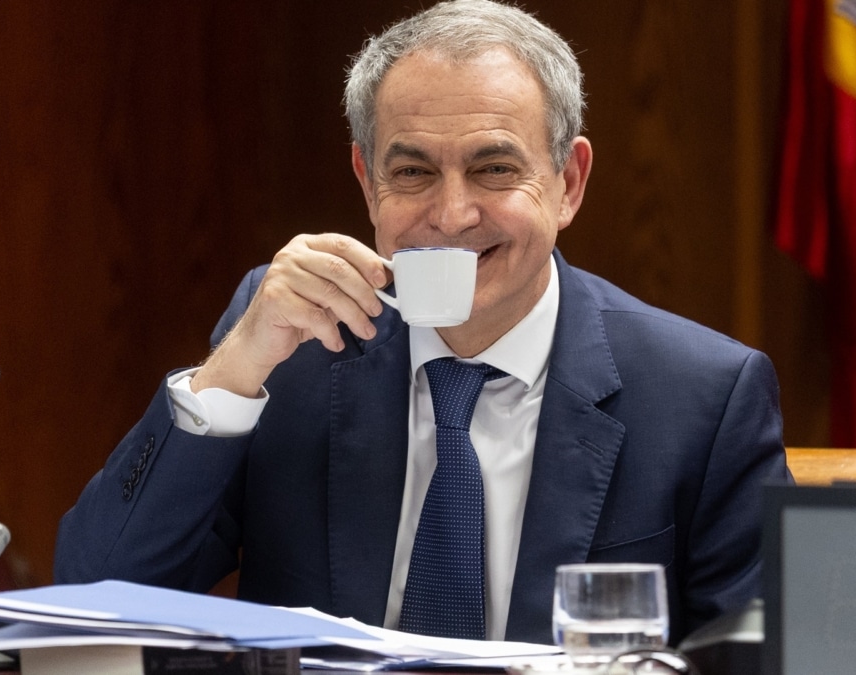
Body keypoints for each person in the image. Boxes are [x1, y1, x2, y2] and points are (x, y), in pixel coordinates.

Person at [54, 0, 790, 647]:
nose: (451, 213)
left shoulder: (701, 397)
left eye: (495, 169)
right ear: (366, 183)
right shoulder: (295, 351)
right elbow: (92, 597)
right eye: (411, 173)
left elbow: (769, 655)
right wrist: (233, 373)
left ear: (567, 183)